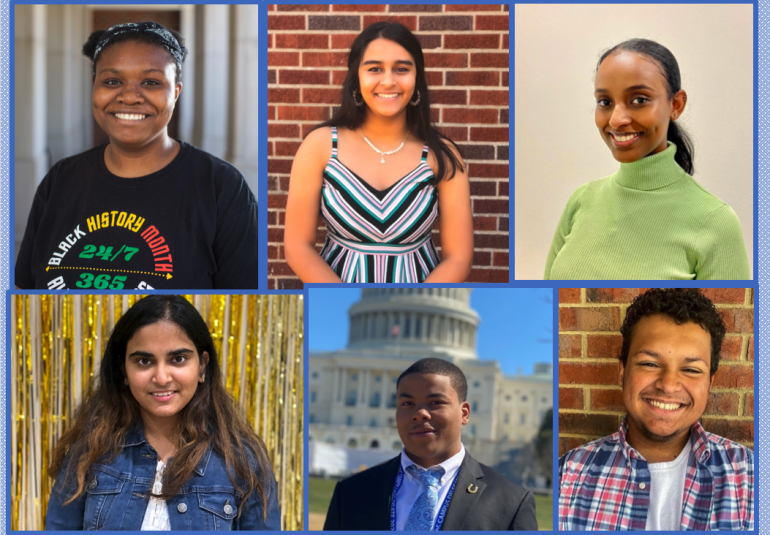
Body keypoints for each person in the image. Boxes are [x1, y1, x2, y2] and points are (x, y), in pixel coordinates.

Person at [16, 22, 259, 290]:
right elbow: (25, 293)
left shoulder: (221, 188)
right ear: (94, 88)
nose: (130, 96)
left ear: (175, 93)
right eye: (112, 81)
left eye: (151, 82)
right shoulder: (60, 179)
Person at [45, 295, 280, 530]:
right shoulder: (88, 451)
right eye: (144, 361)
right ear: (123, 370)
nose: (161, 378)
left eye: (178, 359)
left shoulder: (244, 462)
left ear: (202, 366)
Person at [545, 39, 750, 280]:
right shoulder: (581, 201)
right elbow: (547, 303)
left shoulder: (716, 221)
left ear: (676, 105)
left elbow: (726, 317)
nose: (616, 119)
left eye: (639, 100)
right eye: (605, 102)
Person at [284, 22, 473, 283]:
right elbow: (298, 247)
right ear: (356, 77)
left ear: (416, 77)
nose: (388, 81)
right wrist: (344, 303)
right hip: (339, 304)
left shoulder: (442, 156)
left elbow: (459, 257)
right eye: (374, 69)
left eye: (401, 69)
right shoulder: (321, 146)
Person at [559, 288, 754, 531]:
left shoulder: (750, 477)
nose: (668, 385)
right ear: (623, 371)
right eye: (650, 364)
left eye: (691, 369)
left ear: (710, 383)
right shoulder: (568, 474)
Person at [324, 358, 537, 531]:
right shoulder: (350, 493)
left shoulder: (511, 503)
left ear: (464, 413)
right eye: (407, 403)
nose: (419, 414)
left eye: (435, 403)